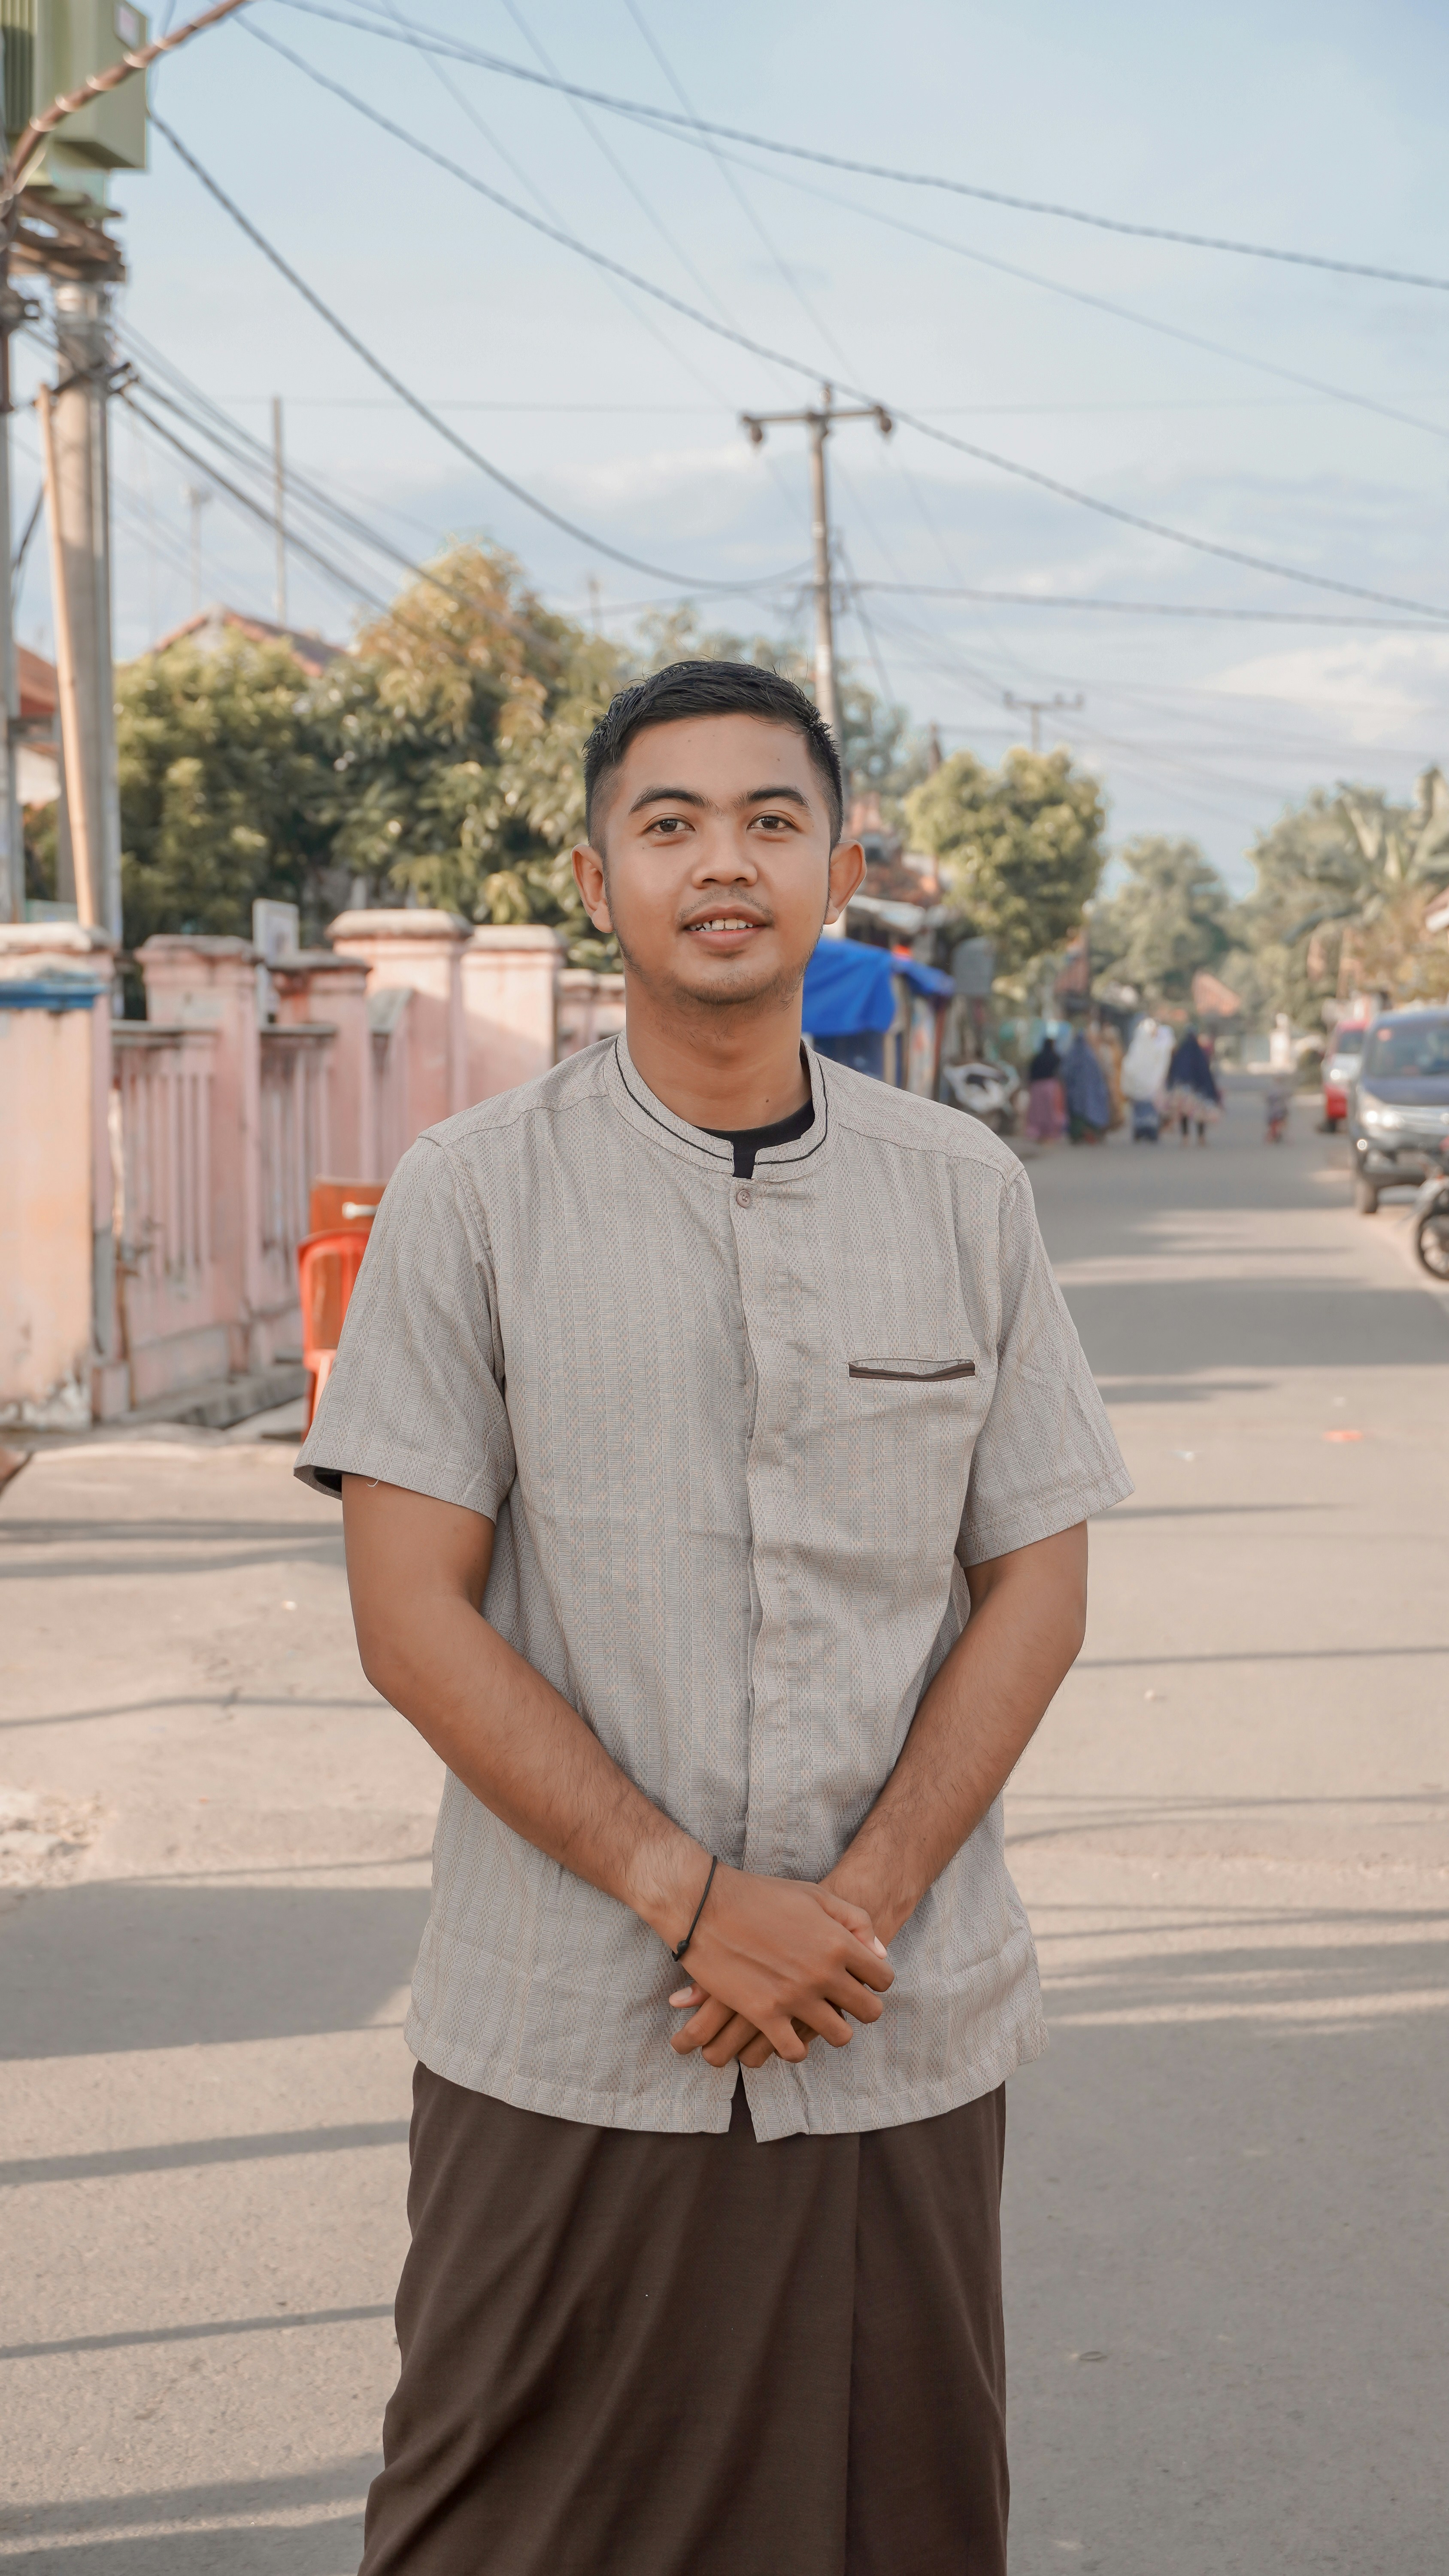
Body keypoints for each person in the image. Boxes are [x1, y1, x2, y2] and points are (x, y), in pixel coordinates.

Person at [296, 659, 1133, 2576]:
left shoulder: (962, 1195)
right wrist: (691, 1895)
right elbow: (409, 1612)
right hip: (565, 2027)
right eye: (666, 823)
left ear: (835, 867)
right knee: (488, 2521)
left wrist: (847, 1912)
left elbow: (1038, 1578)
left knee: (891, 2516)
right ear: (599, 880)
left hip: (886, 2023)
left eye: (767, 819)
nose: (719, 862)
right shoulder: (473, 1197)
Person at [1165, 1024, 1223, 1144]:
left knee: (1185, 1113)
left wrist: (1172, 1084)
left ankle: (1185, 1137)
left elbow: (1175, 1070)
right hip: (1199, 1088)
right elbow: (1205, 1072)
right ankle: (1201, 1137)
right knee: (1200, 1113)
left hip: (1184, 1088)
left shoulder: (1181, 1052)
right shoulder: (1199, 1053)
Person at [1121, 1013, 1173, 1144]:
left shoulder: (1137, 1049)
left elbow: (1129, 1067)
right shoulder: (1150, 1049)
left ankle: (1141, 1132)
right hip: (1149, 1089)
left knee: (1141, 1112)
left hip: (1141, 1090)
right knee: (1148, 1112)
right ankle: (1149, 1132)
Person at [1061, 1027, 1111, 1142]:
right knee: (1089, 1111)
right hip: (1089, 1092)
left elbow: (1065, 1072)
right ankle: (1088, 1133)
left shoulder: (1072, 1055)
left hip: (1076, 1092)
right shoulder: (1090, 1056)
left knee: (1078, 1112)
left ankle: (1079, 1135)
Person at [1024, 1030, 1067, 1142]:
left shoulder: (1037, 1058)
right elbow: (1061, 1072)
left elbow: (1031, 1073)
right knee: (1050, 1111)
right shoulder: (1056, 1057)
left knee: (1038, 1111)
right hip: (1050, 1087)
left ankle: (1038, 1133)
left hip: (1037, 1087)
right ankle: (1050, 1133)